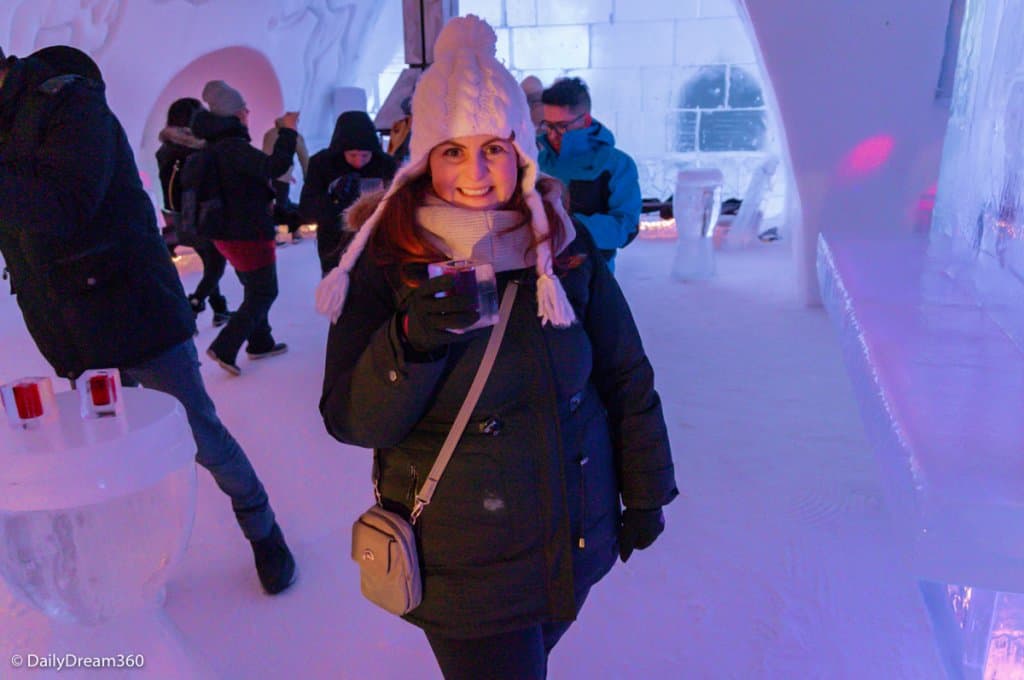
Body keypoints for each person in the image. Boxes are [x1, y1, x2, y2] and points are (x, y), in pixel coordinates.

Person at [316, 16, 676, 679]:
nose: (477, 174)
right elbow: (351, 420)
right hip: (467, 571)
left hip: (571, 537)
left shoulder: (562, 244)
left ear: (522, 150)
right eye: (453, 150)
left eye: (494, 147)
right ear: (424, 155)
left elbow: (624, 373)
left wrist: (646, 488)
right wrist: (411, 342)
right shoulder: (388, 259)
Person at [0, 46, 295, 594]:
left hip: (134, 308)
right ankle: (128, 557)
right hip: (68, 325)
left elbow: (66, 205)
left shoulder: (68, 101)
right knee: (109, 445)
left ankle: (263, 528)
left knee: (199, 433)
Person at [192, 80, 297, 376]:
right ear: (236, 116)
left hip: (226, 233)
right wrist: (288, 130)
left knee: (254, 287)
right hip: (246, 232)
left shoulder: (215, 147)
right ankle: (225, 346)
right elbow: (275, 167)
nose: (248, 113)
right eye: (244, 109)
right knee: (264, 292)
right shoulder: (233, 148)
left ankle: (260, 342)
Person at [537, 77, 642, 273]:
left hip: (593, 274)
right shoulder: (536, 160)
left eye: (561, 127)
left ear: (585, 120)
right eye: (548, 125)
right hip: (538, 272)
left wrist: (565, 226)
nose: (552, 135)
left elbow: (626, 227)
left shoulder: (616, 164)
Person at [156, 96, 233, 326]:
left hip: (180, 217)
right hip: (202, 215)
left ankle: (220, 309)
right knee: (217, 264)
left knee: (210, 262)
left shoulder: (165, 149)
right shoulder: (197, 150)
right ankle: (195, 304)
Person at [300, 109, 397, 276]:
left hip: (374, 243)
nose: (359, 162)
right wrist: (334, 198)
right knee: (337, 294)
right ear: (341, 150)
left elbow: (398, 204)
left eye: (365, 155)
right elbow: (306, 210)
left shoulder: (385, 165)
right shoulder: (322, 164)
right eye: (352, 155)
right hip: (334, 246)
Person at [262, 116, 309, 241]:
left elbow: (266, 155)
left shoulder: (269, 134)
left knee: (274, 205)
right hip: (282, 178)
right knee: (282, 207)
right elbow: (304, 158)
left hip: (266, 176)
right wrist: (309, 179)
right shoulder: (295, 136)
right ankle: (292, 231)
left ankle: (277, 232)